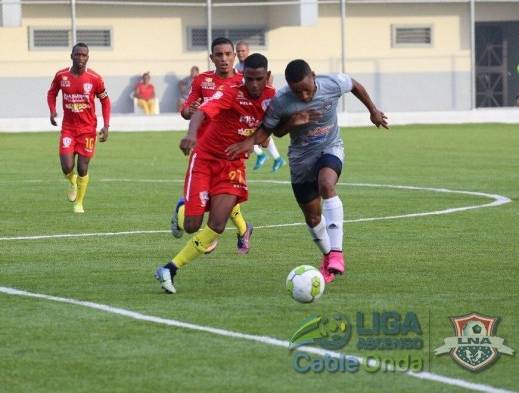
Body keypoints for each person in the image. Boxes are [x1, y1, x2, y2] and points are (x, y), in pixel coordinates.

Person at [227, 59, 389, 283]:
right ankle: (327, 258)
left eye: (306, 89)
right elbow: (274, 132)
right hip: (301, 159)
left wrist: (373, 111)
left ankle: (337, 253)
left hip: (330, 147)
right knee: (313, 217)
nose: (303, 96)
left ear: (313, 75)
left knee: (326, 185)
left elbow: (354, 85)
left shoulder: (332, 83)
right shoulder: (281, 101)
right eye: (297, 92)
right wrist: (293, 122)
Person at [155, 53, 276, 294]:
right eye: (249, 79)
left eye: (259, 79)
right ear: (244, 75)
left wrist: (255, 140)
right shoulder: (232, 89)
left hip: (232, 167)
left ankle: (170, 268)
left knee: (218, 224)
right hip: (206, 160)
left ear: (267, 77)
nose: (253, 85)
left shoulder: (273, 98)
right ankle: (182, 208)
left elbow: (275, 125)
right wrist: (191, 135)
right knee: (191, 225)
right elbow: (201, 112)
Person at [172, 38, 251, 254]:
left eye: (228, 54)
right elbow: (187, 109)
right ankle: (184, 208)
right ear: (212, 58)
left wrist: (250, 142)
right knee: (192, 225)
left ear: (234, 56)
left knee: (225, 197)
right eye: (219, 55)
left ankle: (239, 231)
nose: (224, 59)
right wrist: (188, 111)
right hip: (205, 151)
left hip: (232, 154)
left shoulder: (246, 81)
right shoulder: (202, 81)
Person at [47, 42, 111, 214]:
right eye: (77, 54)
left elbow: (105, 100)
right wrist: (53, 111)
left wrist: (106, 125)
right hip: (68, 128)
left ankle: (79, 203)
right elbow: (52, 93)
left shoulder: (95, 78)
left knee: (83, 168)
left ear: (88, 58)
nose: (80, 58)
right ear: (71, 56)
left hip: (88, 129)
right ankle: (72, 181)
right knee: (67, 166)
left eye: (84, 55)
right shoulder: (62, 76)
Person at [236, 40, 285, 172]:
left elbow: (269, 82)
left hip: (259, 107)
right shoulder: (236, 67)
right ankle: (270, 156)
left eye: (243, 51)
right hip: (245, 107)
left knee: (260, 134)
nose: (240, 53)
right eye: (238, 51)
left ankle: (269, 156)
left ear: (248, 51)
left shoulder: (258, 64)